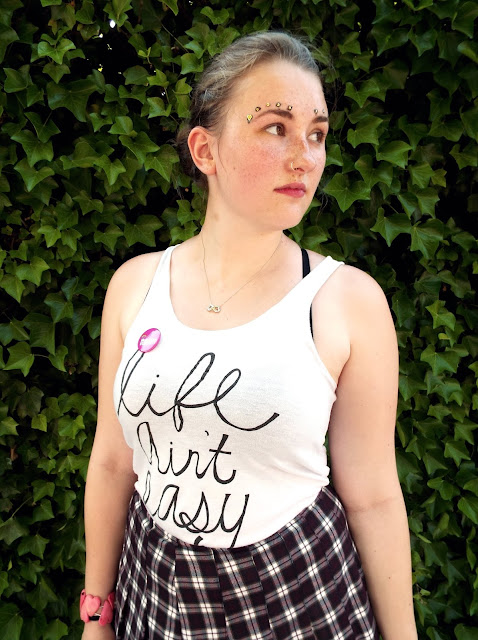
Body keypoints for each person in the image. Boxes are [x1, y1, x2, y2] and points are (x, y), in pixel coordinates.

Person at [81, 31, 418, 640]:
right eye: (275, 128)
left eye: (316, 133)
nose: (305, 157)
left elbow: (373, 496)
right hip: (153, 590)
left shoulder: (345, 302)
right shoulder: (135, 287)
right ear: (205, 150)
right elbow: (111, 461)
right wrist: (96, 611)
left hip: (296, 594)